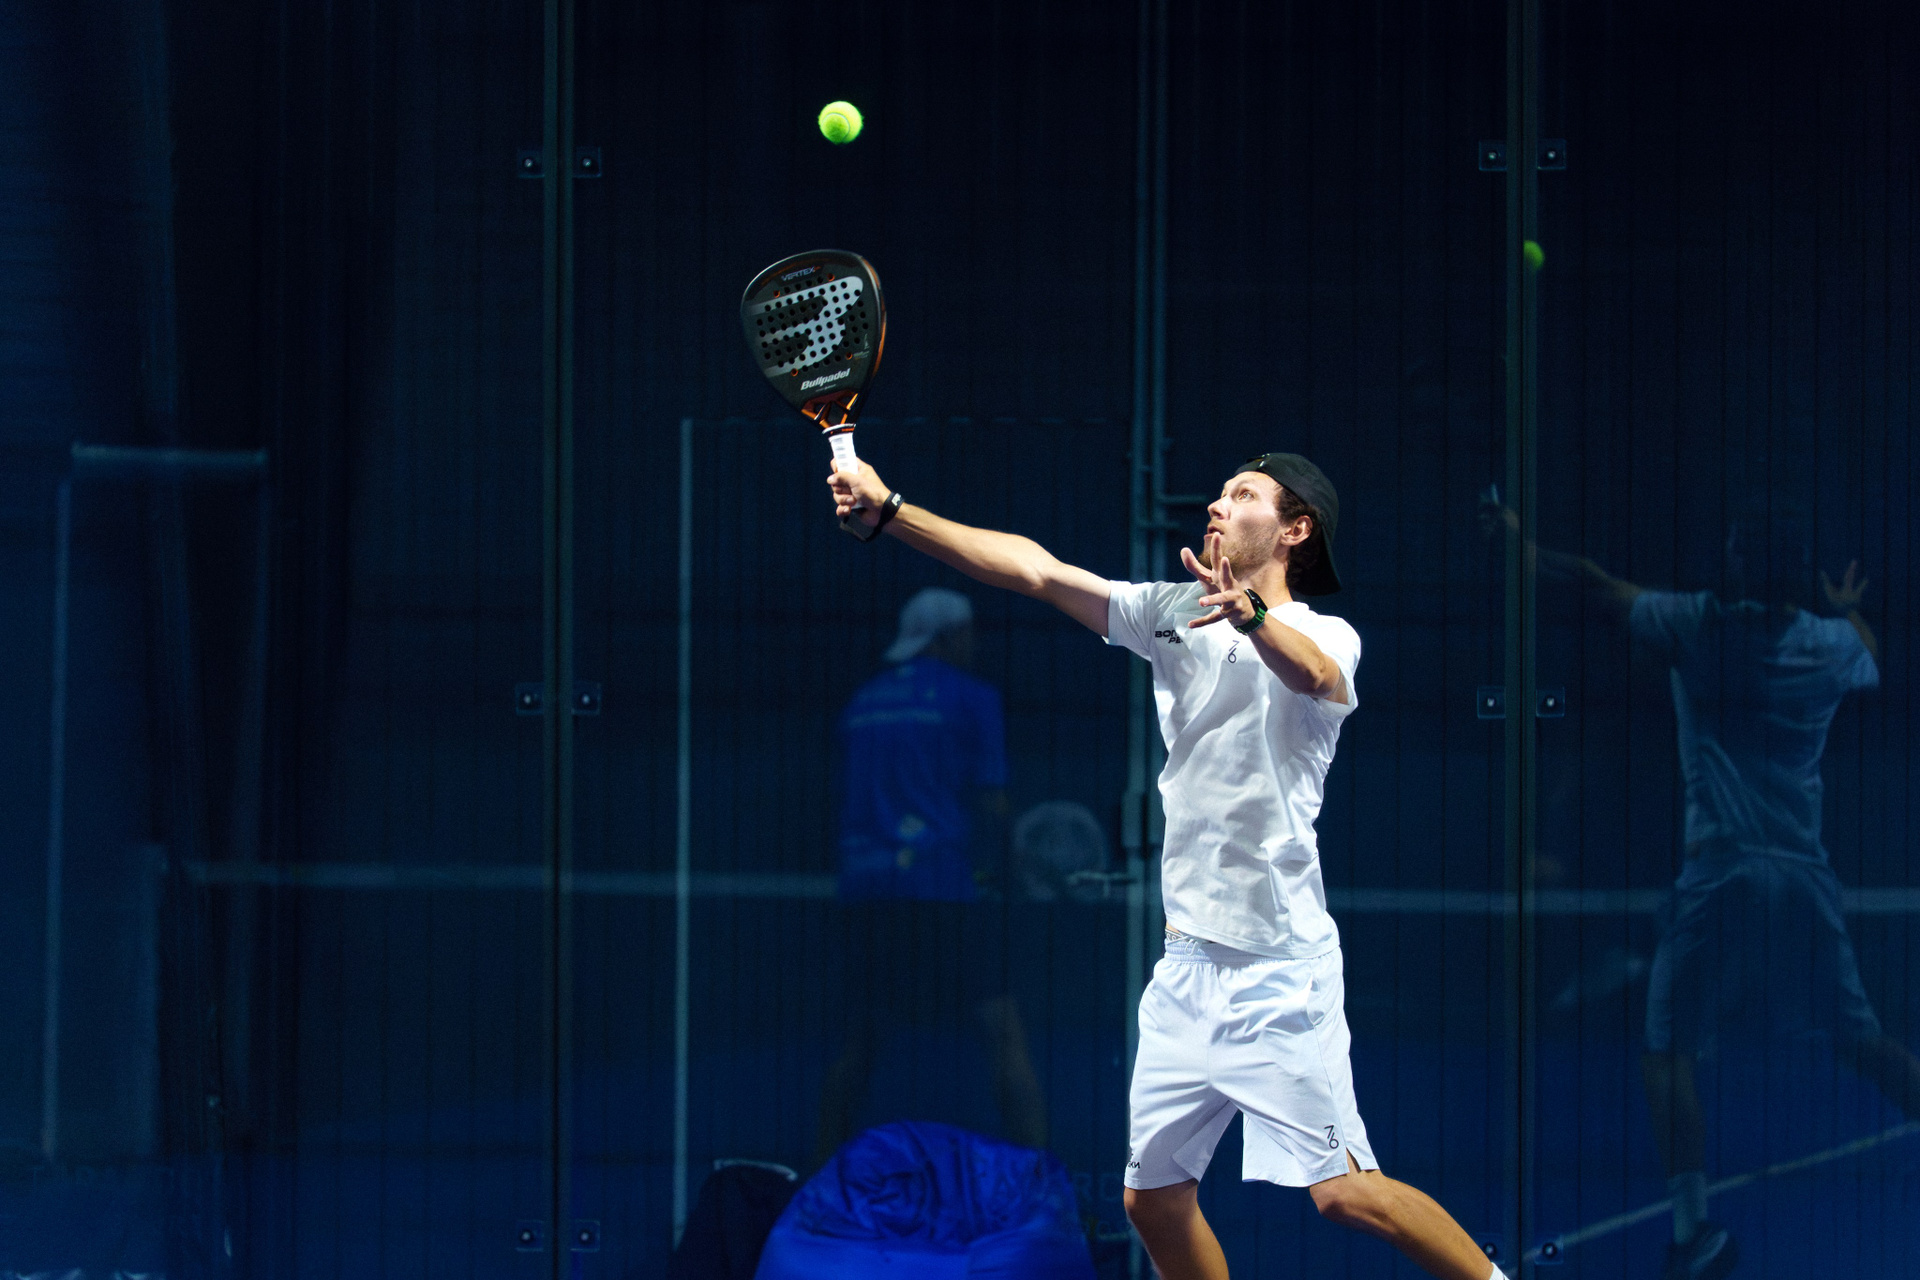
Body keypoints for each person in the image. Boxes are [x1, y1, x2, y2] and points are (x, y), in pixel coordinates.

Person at [830, 455, 1501, 1280]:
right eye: (1221, 492)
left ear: (1295, 531)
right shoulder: (1171, 613)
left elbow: (1316, 675)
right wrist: (893, 511)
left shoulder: (1329, 634)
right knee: (1153, 1202)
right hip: (1185, 972)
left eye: (1244, 495)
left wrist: (1253, 617)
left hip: (1278, 974)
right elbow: (1037, 571)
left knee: (1346, 1195)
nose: (1218, 504)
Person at [1496, 502, 1920, 1280]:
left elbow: (1597, 586)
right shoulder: (1829, 643)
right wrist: (1843, 606)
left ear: (1735, 566)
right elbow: (1869, 649)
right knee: (1860, 1041)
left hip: (1720, 869)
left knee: (1668, 1051)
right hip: (1804, 874)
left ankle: (1694, 1235)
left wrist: (1524, 550)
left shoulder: (1694, 624)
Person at [815, 587, 1048, 1165]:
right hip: (943, 893)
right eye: (968, 635)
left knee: (858, 1044)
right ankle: (1041, 1188)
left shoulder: (863, 703)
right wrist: (1028, 869)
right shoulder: (973, 699)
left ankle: (816, 1182)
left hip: (868, 897)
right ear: (951, 636)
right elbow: (990, 801)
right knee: (1003, 1035)